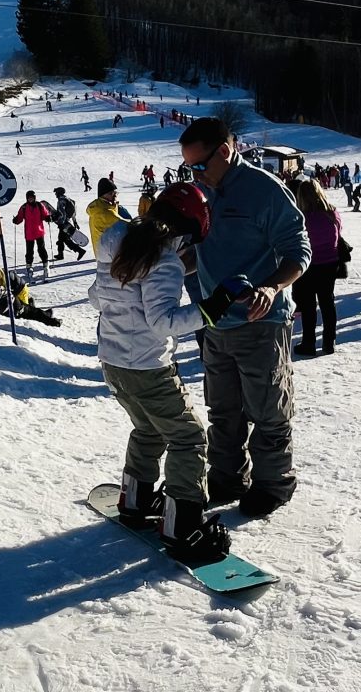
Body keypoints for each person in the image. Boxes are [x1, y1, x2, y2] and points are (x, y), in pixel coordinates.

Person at [88, 182, 246, 562]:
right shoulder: (164, 260)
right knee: (189, 437)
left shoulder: (118, 238)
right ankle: (183, 525)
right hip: (147, 366)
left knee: (148, 429)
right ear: (185, 232)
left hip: (113, 362)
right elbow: (163, 322)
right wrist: (215, 305)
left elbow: (96, 295)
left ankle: (136, 500)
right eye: (189, 242)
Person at [178, 117, 311, 518]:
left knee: (268, 409)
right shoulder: (202, 191)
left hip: (260, 324)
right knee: (222, 410)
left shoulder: (264, 190)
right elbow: (197, 250)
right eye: (189, 169)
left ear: (224, 150)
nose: (196, 175)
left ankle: (273, 483)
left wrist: (271, 288)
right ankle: (226, 477)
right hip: (214, 323)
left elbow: (298, 252)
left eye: (200, 166)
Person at [291, 179, 341, 356]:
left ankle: (309, 343)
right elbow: (338, 232)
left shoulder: (300, 216)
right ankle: (329, 342)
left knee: (308, 305)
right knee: (327, 302)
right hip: (330, 262)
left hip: (309, 264)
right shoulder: (332, 213)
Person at [12, 190, 51, 280]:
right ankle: (29, 266)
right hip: (29, 232)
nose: (31, 199)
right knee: (29, 251)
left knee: (41, 249)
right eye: (29, 198)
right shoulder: (24, 207)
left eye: (32, 198)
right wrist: (16, 220)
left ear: (34, 198)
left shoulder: (39, 205)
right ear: (27, 198)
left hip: (39, 231)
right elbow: (20, 217)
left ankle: (45, 264)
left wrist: (48, 217)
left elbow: (45, 214)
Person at [86, 177, 132, 254]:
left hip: (104, 252)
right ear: (102, 195)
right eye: (110, 193)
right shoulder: (105, 212)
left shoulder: (102, 205)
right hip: (108, 254)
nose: (114, 196)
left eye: (115, 193)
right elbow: (129, 225)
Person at [52, 187, 87, 261]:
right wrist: (74, 221)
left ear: (59, 193)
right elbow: (73, 211)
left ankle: (80, 250)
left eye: (56, 192)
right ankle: (60, 254)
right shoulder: (68, 199)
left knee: (64, 239)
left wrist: (60, 222)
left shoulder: (61, 201)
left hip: (64, 223)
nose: (55, 194)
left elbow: (63, 213)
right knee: (62, 238)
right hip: (68, 222)